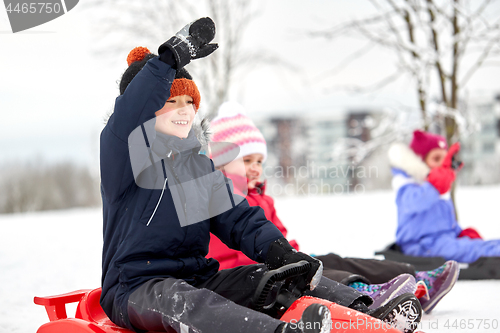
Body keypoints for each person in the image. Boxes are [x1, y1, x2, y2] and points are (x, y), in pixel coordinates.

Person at [99, 18, 422, 333]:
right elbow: (130, 114)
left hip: (198, 276)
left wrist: (279, 252)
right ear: (147, 110)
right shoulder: (126, 158)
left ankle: (368, 314)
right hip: (137, 286)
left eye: (190, 102)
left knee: (272, 280)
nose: (185, 110)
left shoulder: (197, 168)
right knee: (188, 302)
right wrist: (168, 61)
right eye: (172, 101)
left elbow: (238, 218)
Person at [207, 103, 458, 314]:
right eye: (246, 160)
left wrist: (292, 252)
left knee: (330, 260)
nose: (255, 168)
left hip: (281, 264)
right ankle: (364, 295)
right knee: (315, 277)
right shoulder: (219, 203)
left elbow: (280, 236)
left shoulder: (262, 199)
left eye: (259, 161)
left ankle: (415, 279)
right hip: (249, 277)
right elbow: (230, 254)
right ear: (220, 164)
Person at [388, 130, 500, 267]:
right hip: (421, 246)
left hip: (442, 242)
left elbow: (443, 222)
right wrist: (435, 184)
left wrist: (460, 233)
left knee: (481, 244)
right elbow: (415, 203)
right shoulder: (408, 185)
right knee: (473, 249)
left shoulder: (438, 186)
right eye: (436, 159)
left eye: (444, 158)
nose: (441, 164)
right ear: (420, 160)